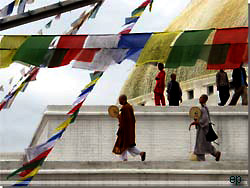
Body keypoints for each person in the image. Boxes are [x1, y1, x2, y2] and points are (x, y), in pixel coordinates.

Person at [112, 95, 146, 161]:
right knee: (127, 145)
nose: (119, 102)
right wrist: (119, 117)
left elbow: (125, 121)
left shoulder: (125, 108)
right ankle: (141, 153)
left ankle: (124, 159)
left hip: (125, 131)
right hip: (129, 131)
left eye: (120, 100)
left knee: (123, 145)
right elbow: (131, 120)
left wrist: (119, 118)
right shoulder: (129, 107)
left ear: (123, 100)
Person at [189, 94, 221, 161]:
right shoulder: (204, 108)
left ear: (204, 100)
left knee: (200, 145)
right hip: (203, 129)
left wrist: (197, 122)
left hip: (203, 131)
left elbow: (205, 120)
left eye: (201, 98)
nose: (199, 99)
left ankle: (201, 160)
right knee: (206, 144)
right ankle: (216, 153)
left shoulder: (203, 109)